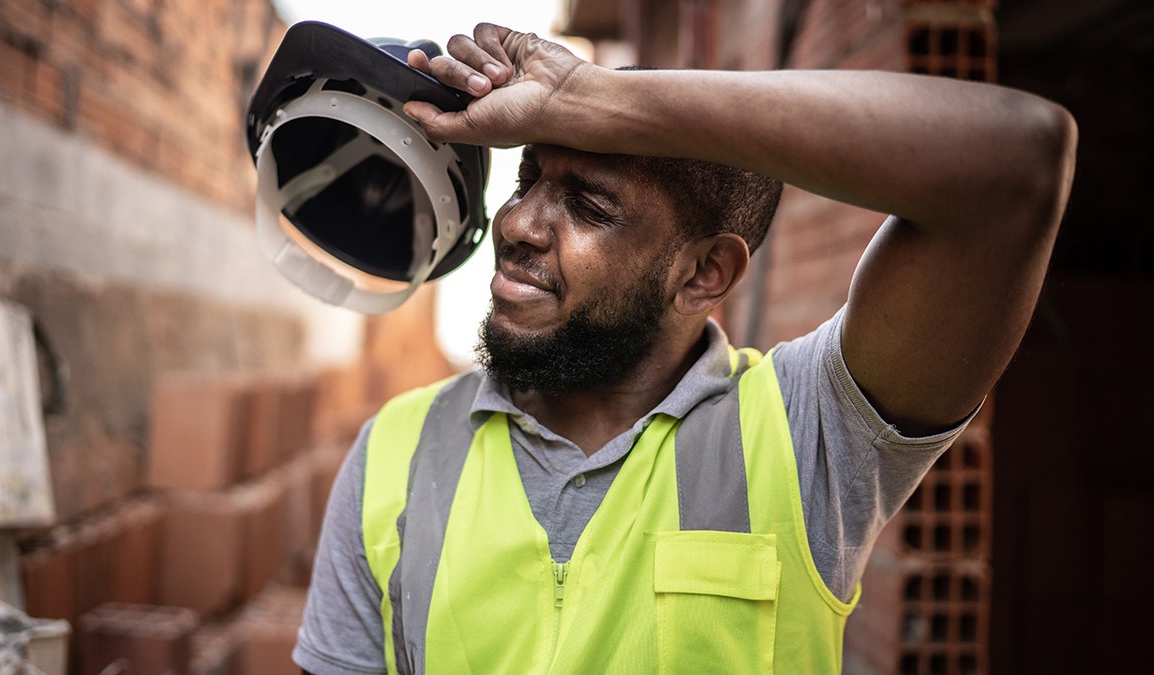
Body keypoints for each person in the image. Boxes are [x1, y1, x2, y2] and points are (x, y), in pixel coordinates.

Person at [293, 23, 1076, 675]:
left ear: (704, 273)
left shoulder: (805, 437)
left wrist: (587, 96)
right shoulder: (394, 450)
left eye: (588, 206)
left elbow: (1018, 161)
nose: (520, 223)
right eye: (529, 177)